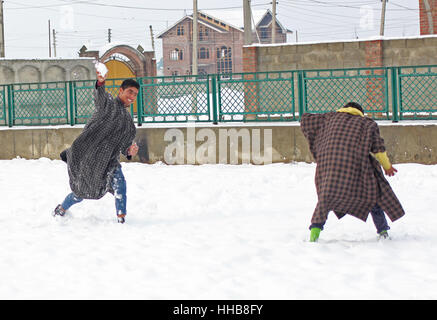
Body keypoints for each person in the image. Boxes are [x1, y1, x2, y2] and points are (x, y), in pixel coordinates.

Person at [300, 102, 405, 242]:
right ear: (360, 112)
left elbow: (305, 120)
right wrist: (387, 167)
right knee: (373, 194)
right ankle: (383, 231)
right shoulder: (367, 124)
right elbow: (378, 150)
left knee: (325, 200)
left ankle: (314, 235)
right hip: (356, 167)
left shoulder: (327, 119)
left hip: (328, 167)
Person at [53, 69, 139, 224]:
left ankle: (121, 219)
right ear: (121, 90)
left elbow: (125, 147)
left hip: (109, 161)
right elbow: (99, 96)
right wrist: (100, 82)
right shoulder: (108, 104)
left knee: (120, 184)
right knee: (80, 192)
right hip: (89, 157)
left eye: (135, 94)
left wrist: (129, 151)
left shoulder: (128, 122)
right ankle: (61, 209)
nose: (132, 97)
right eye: (129, 92)